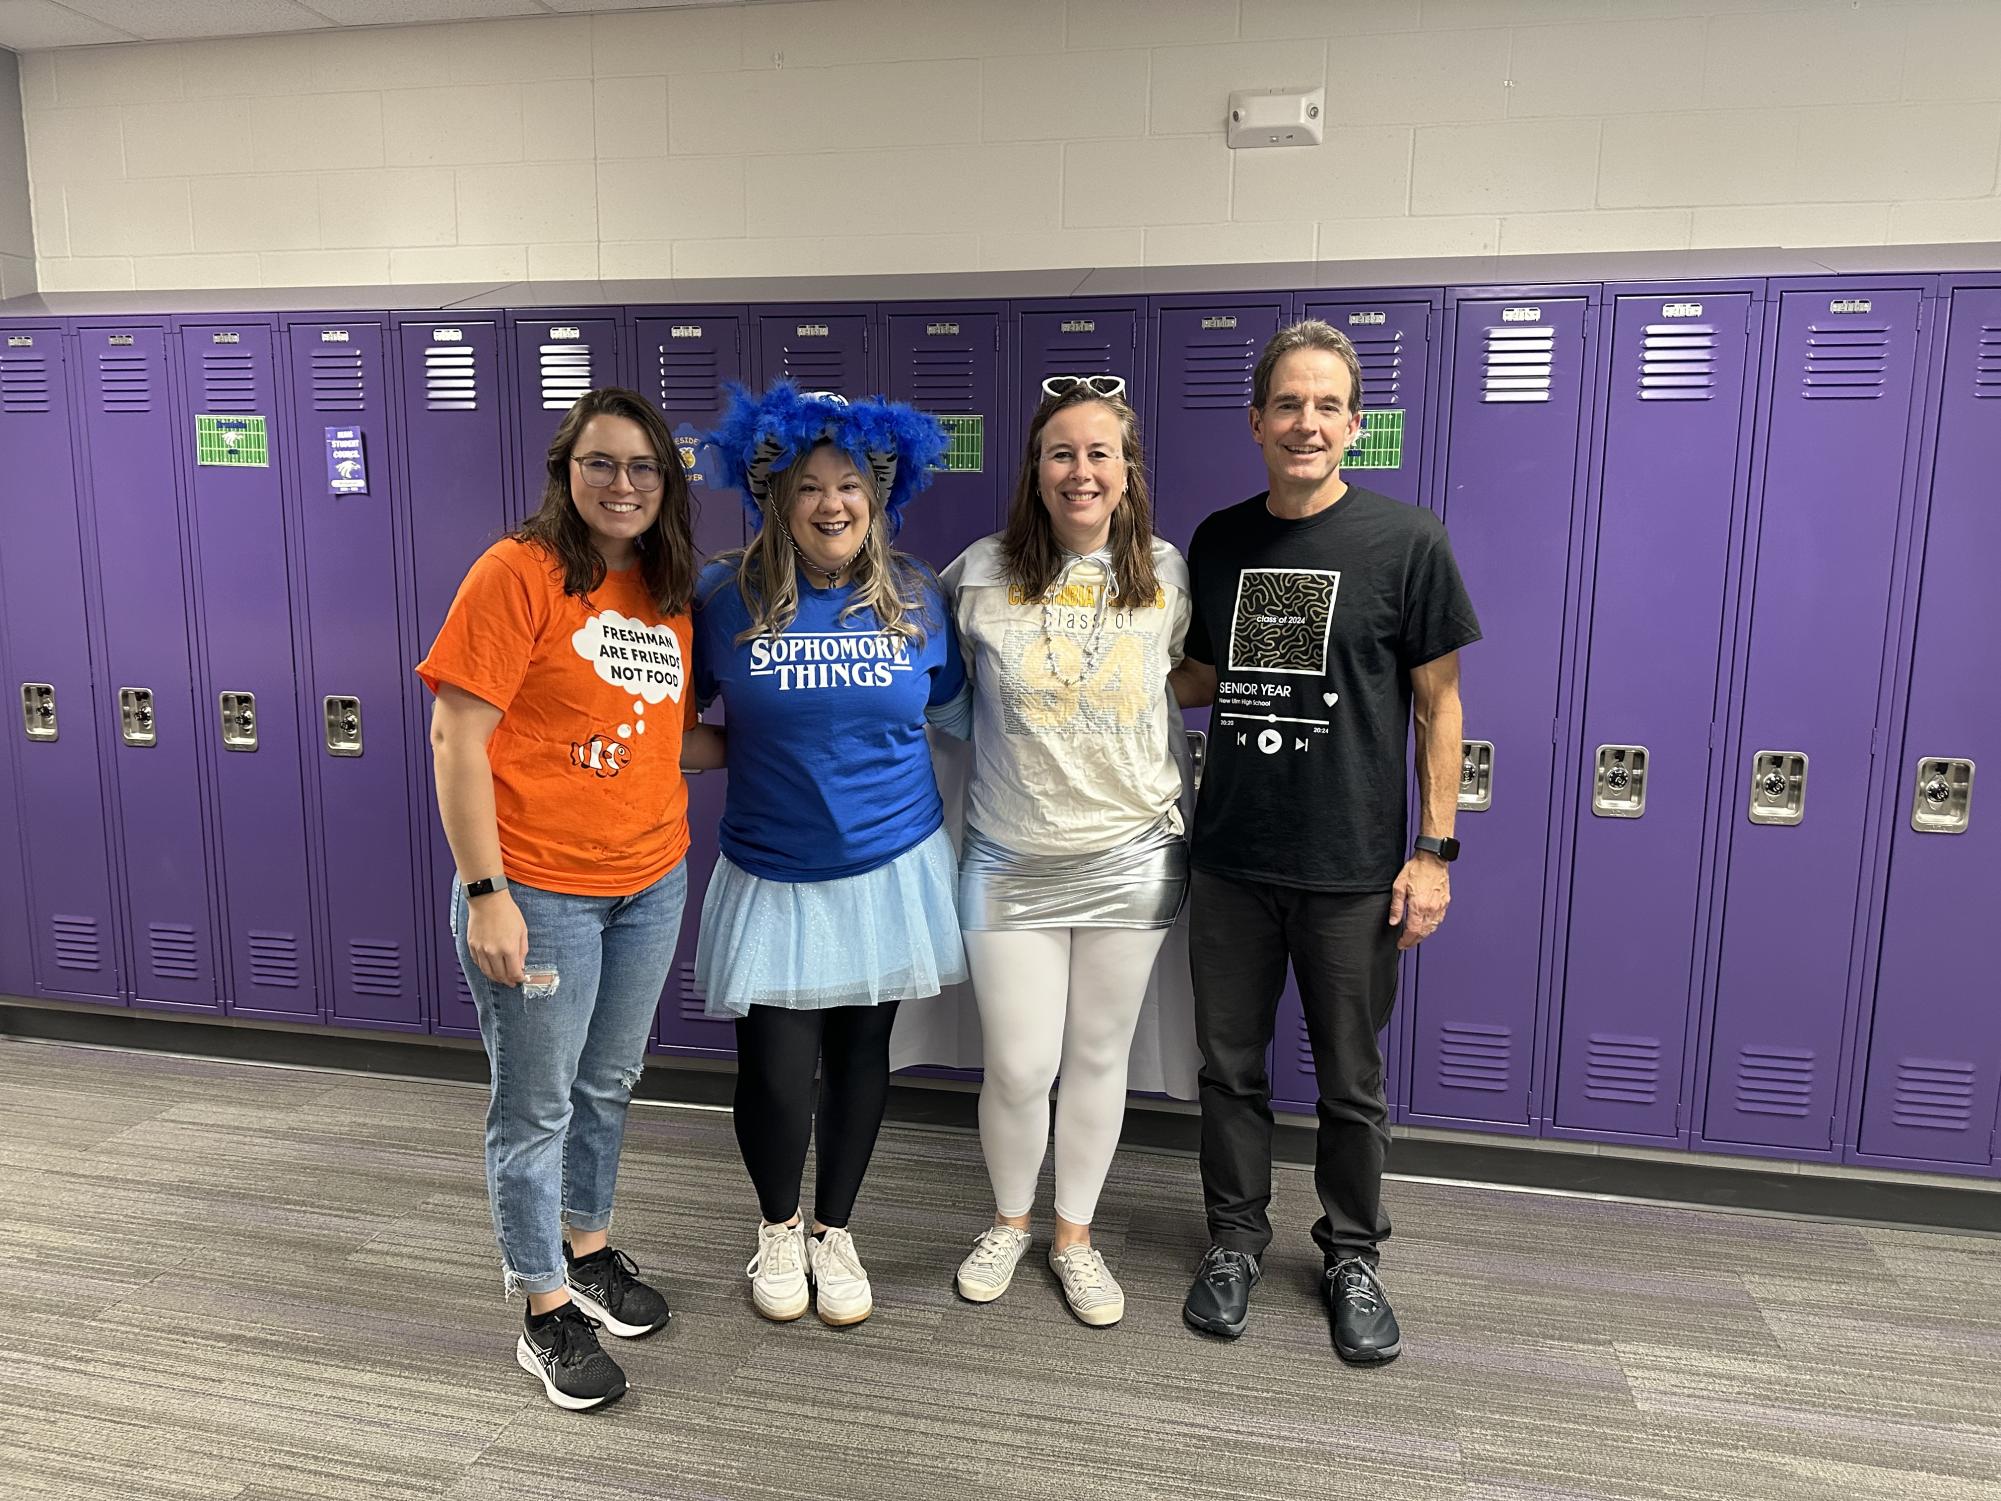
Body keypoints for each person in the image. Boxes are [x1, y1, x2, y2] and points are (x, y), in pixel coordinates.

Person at [1170, 321, 1481, 1364]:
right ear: (1257, 421)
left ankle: (1353, 1254)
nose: (1306, 424)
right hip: (1231, 860)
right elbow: (1205, 677)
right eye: (1288, 406)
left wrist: (1432, 850)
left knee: (1351, 1079)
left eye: (1327, 407)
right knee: (1229, 1068)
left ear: (1356, 423)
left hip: (1352, 868)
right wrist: (1083, 671)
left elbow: (1442, 707)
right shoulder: (1218, 541)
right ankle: (1234, 1241)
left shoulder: (1406, 541)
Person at [417, 387, 723, 1411]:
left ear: (666, 486)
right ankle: (544, 1306)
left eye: (643, 468)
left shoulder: (667, 588)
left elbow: (662, 732)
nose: (623, 484)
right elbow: (456, 737)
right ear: (567, 472)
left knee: (610, 1081)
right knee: (536, 1102)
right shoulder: (519, 574)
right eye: (601, 463)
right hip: (538, 889)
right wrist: (485, 891)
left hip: (650, 877)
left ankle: (586, 1246)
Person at [693, 381, 967, 1329]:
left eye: (850, 482)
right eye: (807, 484)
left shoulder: (920, 599)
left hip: (889, 866)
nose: (831, 503)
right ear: (772, 492)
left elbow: (952, 714)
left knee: (860, 1059)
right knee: (772, 1071)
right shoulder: (723, 596)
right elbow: (669, 719)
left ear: (881, 493)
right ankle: (777, 1224)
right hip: (773, 868)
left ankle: (834, 1231)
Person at [939, 375, 1191, 1328]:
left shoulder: (1167, 573)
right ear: (1035, 473)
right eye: (1061, 453)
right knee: (1016, 1063)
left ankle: (1073, 1236)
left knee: (1096, 1056)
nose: (1080, 471)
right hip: (1008, 855)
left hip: (1133, 853)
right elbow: (939, 697)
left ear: (1126, 470)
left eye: (1099, 453)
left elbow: (1192, 677)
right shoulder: (977, 574)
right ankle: (1008, 1219)